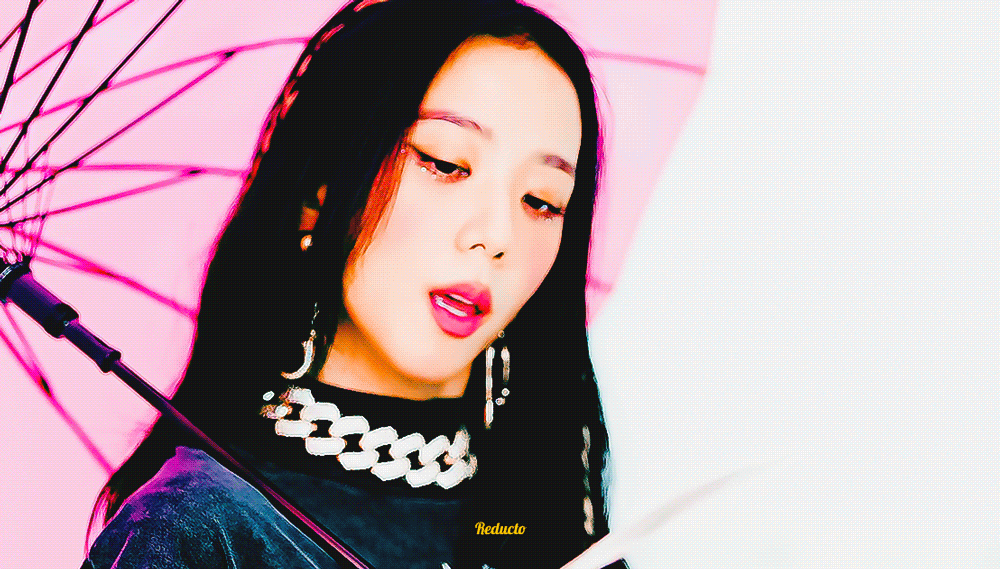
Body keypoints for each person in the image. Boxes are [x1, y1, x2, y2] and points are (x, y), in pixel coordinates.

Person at [83, 1, 624, 567]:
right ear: (319, 190)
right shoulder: (198, 529)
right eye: (445, 163)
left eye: (541, 200)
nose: (496, 236)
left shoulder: (548, 525)